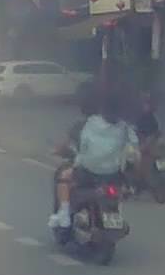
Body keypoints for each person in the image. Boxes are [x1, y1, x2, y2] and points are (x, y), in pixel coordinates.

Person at [49, 89, 138, 229]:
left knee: (64, 178)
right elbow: (134, 152)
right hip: (113, 175)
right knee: (121, 190)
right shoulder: (125, 128)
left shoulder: (87, 125)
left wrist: (71, 156)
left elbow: (82, 148)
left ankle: (64, 213)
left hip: (88, 172)